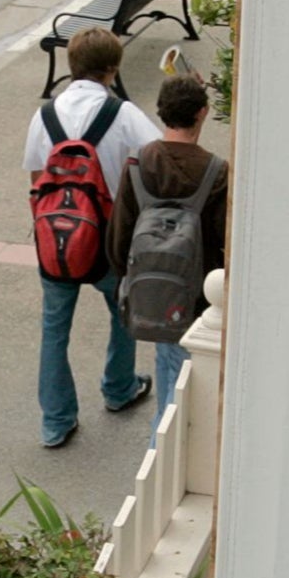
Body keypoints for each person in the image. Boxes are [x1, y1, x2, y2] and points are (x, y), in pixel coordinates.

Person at [22, 27, 161, 449]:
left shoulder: (45, 115)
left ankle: (56, 421)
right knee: (123, 315)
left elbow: (34, 177)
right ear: (112, 68)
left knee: (54, 328)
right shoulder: (123, 114)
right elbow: (157, 160)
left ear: (71, 65)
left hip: (56, 237)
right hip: (109, 238)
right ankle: (119, 389)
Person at [108, 72, 227, 445]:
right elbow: (227, 241)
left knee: (169, 373)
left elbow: (119, 238)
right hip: (201, 297)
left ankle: (163, 451)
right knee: (191, 386)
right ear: (202, 113)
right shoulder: (216, 171)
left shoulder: (139, 163)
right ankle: (166, 455)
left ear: (161, 113)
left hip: (157, 293)